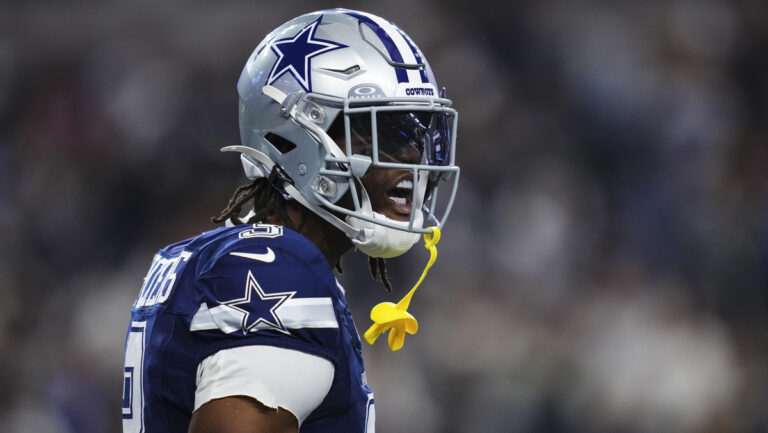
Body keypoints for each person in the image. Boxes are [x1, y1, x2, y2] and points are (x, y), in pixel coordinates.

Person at [121, 8, 459, 433]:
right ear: (298, 136)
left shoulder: (214, 257)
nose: (412, 157)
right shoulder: (274, 269)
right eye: (386, 132)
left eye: (417, 134)